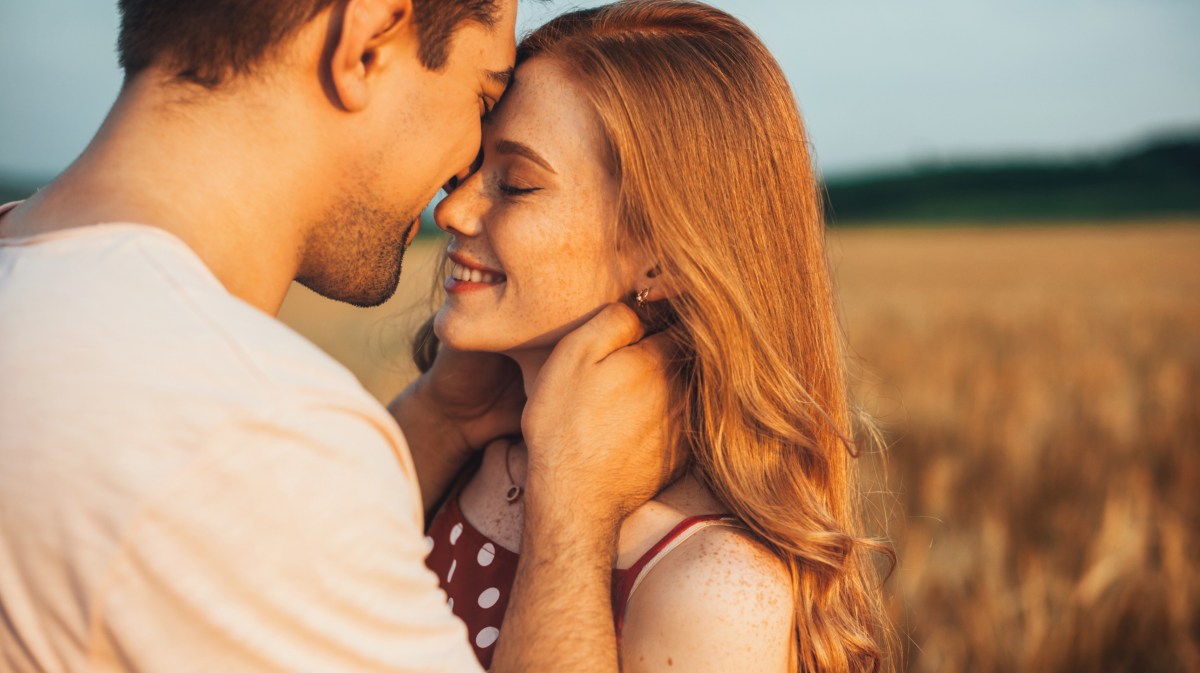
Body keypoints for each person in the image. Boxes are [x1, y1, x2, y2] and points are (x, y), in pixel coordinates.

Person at [0, 1, 675, 672]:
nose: (457, 186)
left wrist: (441, 417)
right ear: (367, 40)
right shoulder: (249, 433)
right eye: (481, 96)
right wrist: (573, 515)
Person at [415, 2, 894, 672]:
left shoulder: (713, 586)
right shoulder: (462, 454)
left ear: (663, 254)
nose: (453, 209)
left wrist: (572, 509)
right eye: (468, 170)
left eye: (517, 184)